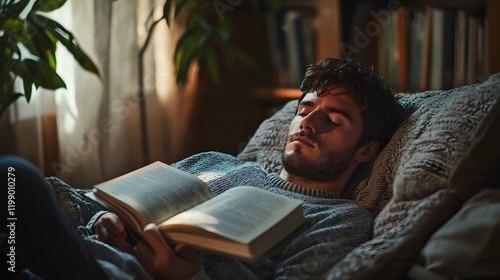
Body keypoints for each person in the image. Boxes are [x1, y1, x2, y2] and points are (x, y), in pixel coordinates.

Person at [0, 57, 403, 280]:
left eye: (334, 120)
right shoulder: (215, 162)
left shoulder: (341, 219)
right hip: (71, 249)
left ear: (365, 151)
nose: (308, 124)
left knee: (16, 176)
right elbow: (106, 204)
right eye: (305, 109)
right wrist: (108, 215)